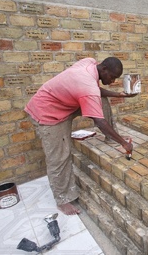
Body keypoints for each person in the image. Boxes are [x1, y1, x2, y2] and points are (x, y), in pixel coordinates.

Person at [25, 57, 137, 215]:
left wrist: (120, 94)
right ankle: (62, 199)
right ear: (103, 69)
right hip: (48, 113)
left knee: (101, 99)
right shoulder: (87, 84)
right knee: (60, 156)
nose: (112, 81)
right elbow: (99, 122)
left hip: (65, 104)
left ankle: (112, 137)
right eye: (112, 77)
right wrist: (124, 143)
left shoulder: (90, 63)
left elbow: (96, 91)